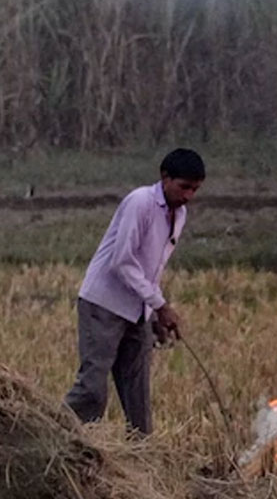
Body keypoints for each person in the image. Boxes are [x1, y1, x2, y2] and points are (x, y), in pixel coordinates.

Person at [64, 148, 204, 435]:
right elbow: (122, 261)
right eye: (184, 187)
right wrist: (161, 305)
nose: (188, 195)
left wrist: (153, 314)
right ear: (165, 178)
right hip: (103, 304)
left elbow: (152, 268)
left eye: (195, 189)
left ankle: (141, 460)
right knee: (92, 390)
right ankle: (51, 435)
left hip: (138, 309)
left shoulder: (180, 214)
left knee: (138, 398)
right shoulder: (140, 202)